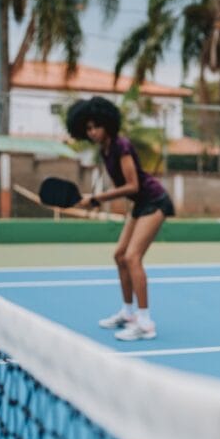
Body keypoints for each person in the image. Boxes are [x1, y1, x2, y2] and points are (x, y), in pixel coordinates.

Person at [65, 96, 175, 341]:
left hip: (155, 201)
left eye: (96, 126)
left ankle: (145, 322)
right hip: (141, 204)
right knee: (119, 256)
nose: (92, 132)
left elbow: (133, 185)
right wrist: (95, 199)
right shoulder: (105, 150)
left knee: (132, 257)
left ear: (107, 123)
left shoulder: (121, 146)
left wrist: (96, 198)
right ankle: (128, 313)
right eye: (88, 128)